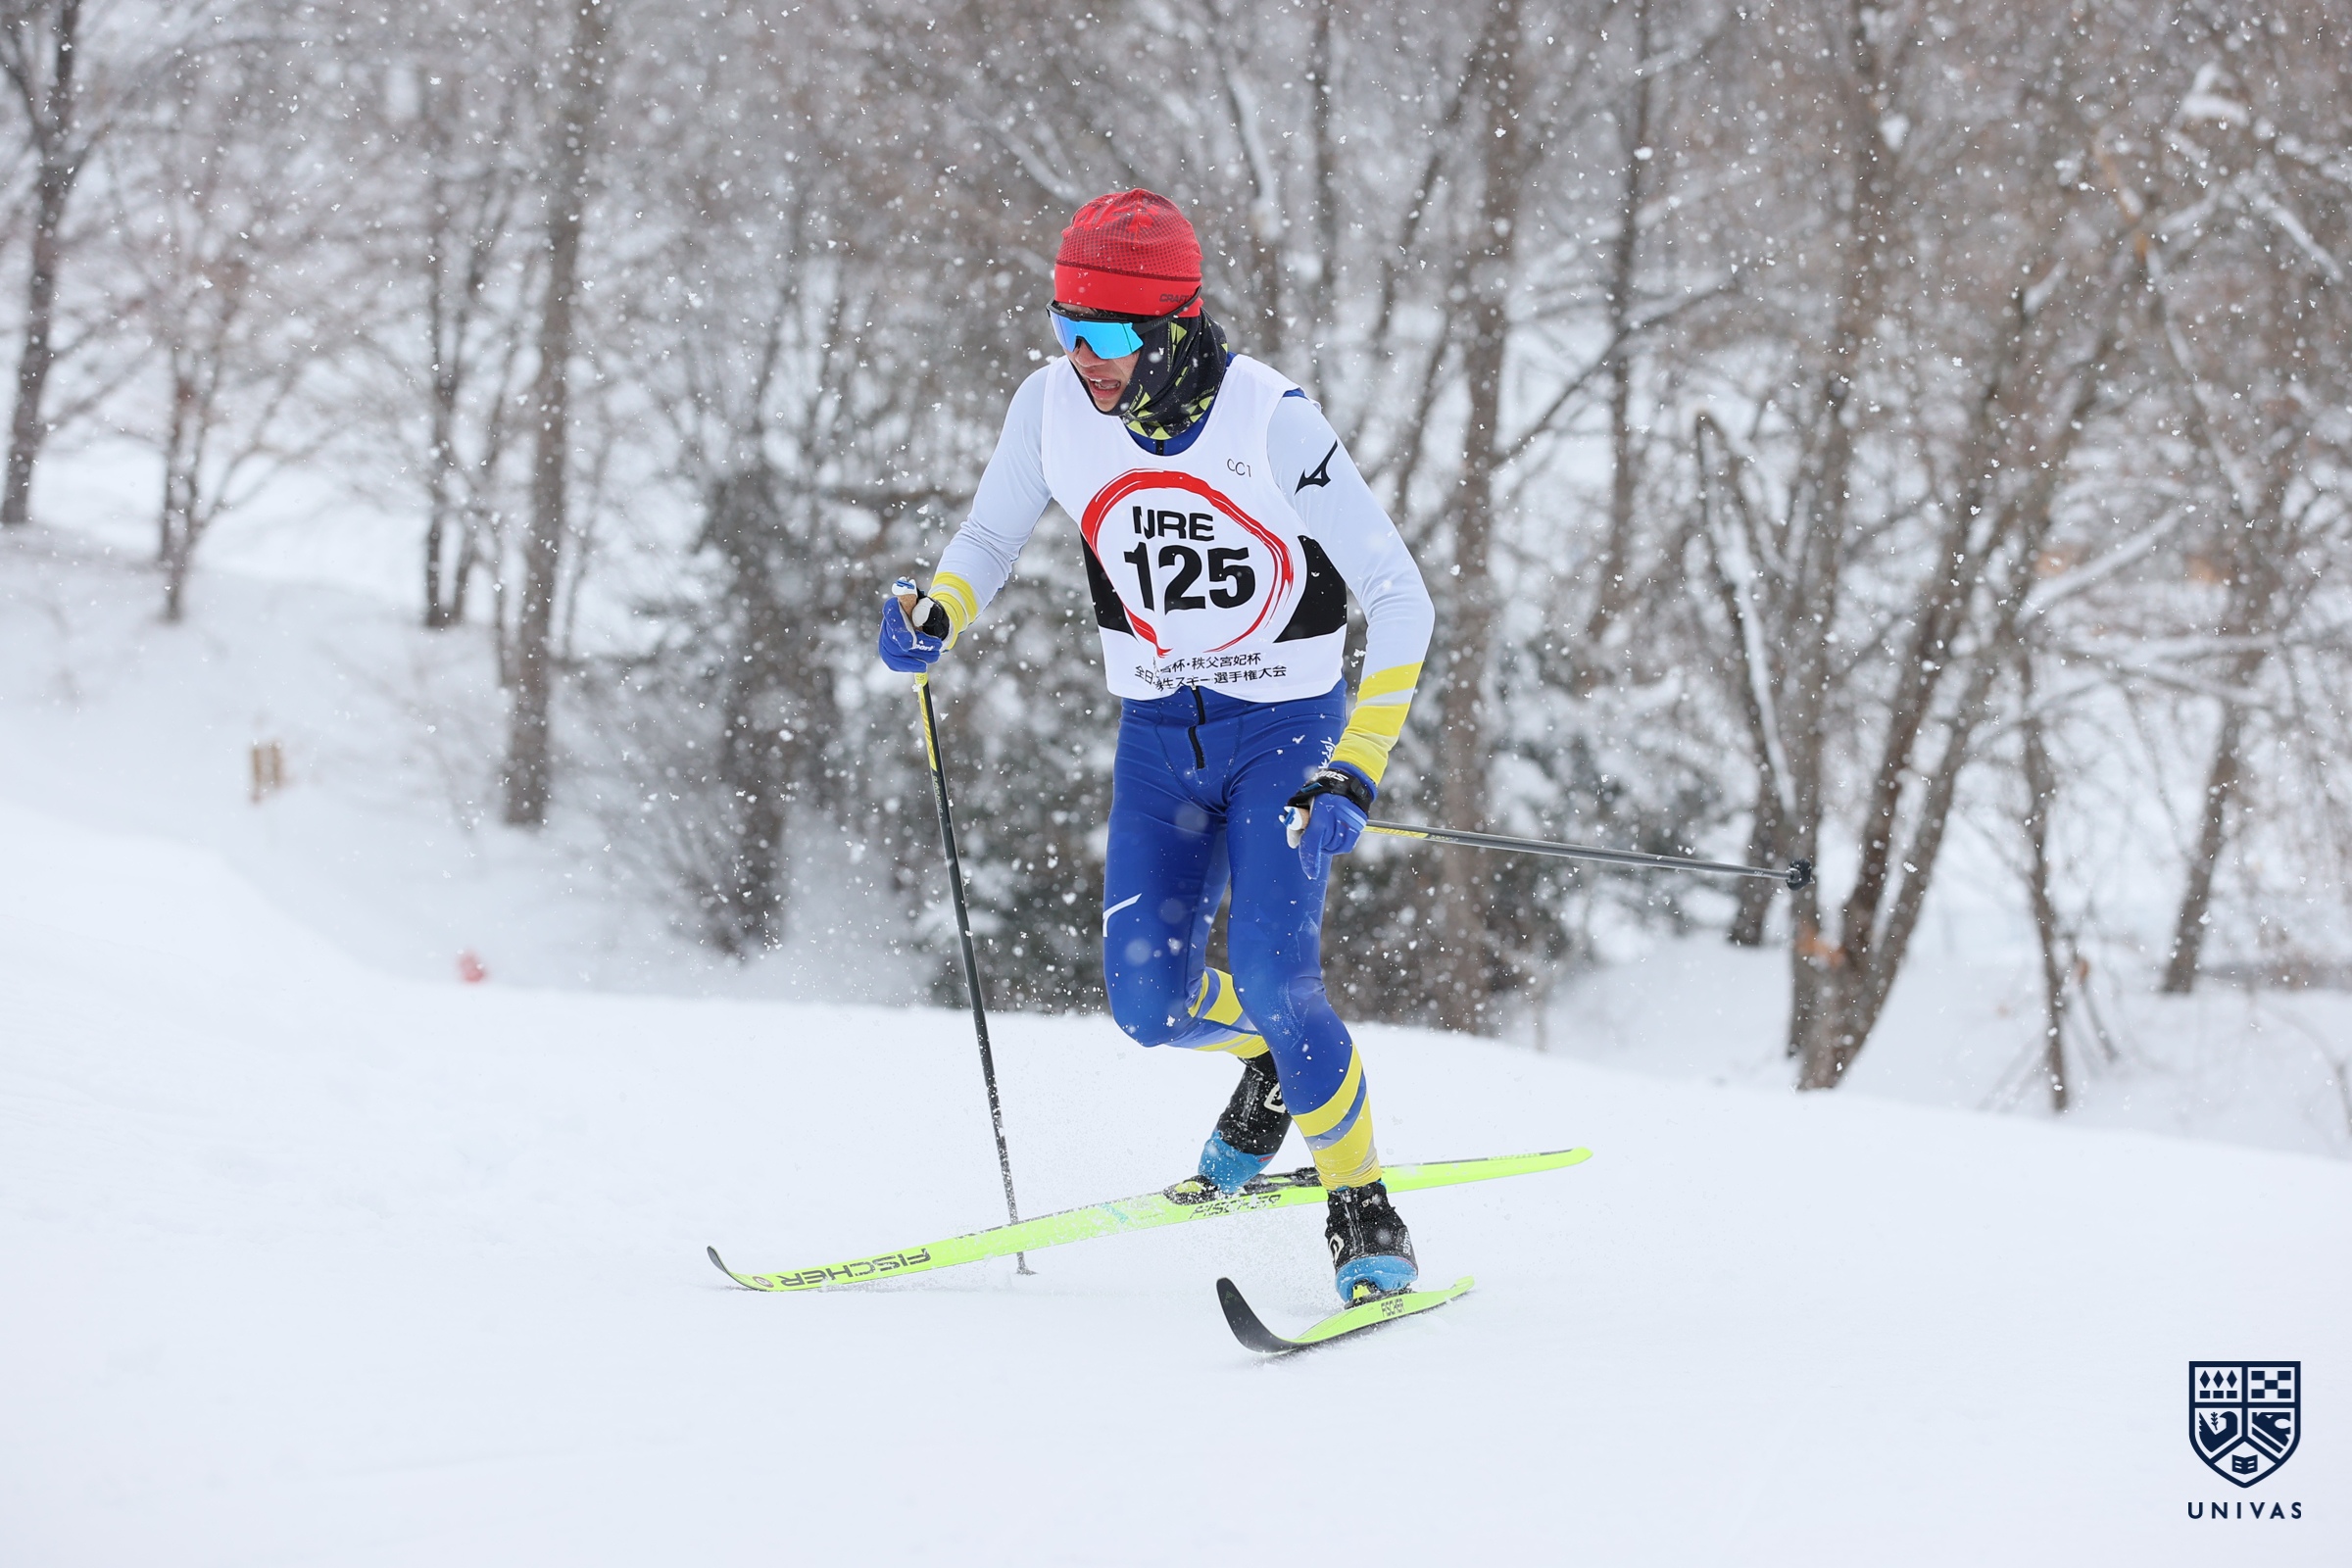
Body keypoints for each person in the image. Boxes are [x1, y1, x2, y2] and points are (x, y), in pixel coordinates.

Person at [877, 189, 1435, 1304]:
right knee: (1148, 1005)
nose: (1081, 357)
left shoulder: (1270, 419)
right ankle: (1268, 1069)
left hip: (1285, 733)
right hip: (1158, 741)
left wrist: (1357, 762)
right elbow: (989, 536)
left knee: (1277, 974)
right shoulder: (1051, 406)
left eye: (1106, 334)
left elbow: (1401, 596)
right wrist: (941, 606)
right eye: (1064, 326)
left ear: (1174, 325)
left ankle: (1362, 1205)